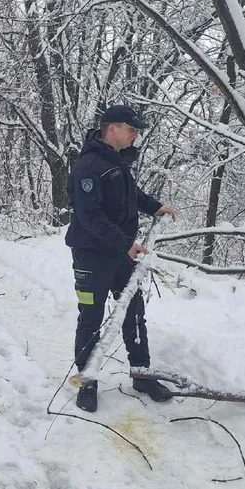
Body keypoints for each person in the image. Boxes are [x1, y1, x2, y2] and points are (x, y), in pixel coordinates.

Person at [64, 104, 177, 413]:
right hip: (91, 255)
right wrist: (125, 243)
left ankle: (142, 375)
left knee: (133, 312)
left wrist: (155, 207)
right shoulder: (88, 166)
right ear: (111, 128)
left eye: (137, 132)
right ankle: (87, 383)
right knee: (91, 318)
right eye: (131, 130)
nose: (135, 136)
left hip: (120, 253)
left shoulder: (118, 162)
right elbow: (90, 216)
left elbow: (131, 195)